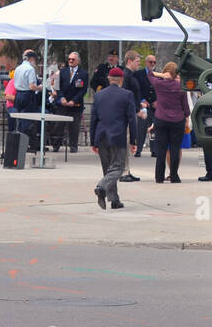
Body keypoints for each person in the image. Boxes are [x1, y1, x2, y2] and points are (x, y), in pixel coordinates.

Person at [90, 67, 136, 210]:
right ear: (121, 80)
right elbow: (132, 120)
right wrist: (133, 140)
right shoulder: (127, 94)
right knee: (118, 167)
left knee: (108, 169)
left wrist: (93, 141)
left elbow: (93, 119)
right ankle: (101, 186)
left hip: (101, 135)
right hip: (118, 135)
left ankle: (114, 200)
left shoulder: (99, 95)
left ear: (109, 79)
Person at [149, 61, 190, 183]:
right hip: (177, 120)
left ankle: (159, 176)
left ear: (166, 73)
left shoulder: (159, 84)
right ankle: (174, 175)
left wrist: (162, 76)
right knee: (175, 149)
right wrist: (186, 118)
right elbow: (186, 107)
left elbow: (150, 75)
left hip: (161, 119)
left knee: (160, 149)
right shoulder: (181, 86)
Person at [121, 50, 156, 170]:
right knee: (126, 143)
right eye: (136, 61)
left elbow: (135, 94)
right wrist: (137, 110)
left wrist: (140, 104)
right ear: (129, 61)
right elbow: (126, 96)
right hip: (128, 114)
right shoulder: (126, 75)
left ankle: (126, 170)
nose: (138, 64)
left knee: (128, 145)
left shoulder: (131, 75)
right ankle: (124, 171)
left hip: (135, 110)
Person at [56, 52, 88, 153]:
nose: (70, 61)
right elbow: (58, 87)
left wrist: (74, 101)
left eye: (73, 59)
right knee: (59, 125)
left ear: (78, 61)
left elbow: (83, 90)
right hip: (63, 104)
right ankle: (56, 145)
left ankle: (73, 146)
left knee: (74, 127)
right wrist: (62, 98)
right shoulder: (63, 71)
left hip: (75, 105)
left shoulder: (83, 73)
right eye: (69, 59)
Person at [11, 49, 42, 146]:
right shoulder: (30, 69)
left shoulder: (18, 68)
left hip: (18, 95)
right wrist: (41, 88)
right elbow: (32, 86)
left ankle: (19, 141)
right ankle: (25, 143)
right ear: (32, 59)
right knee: (27, 120)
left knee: (20, 119)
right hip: (27, 95)